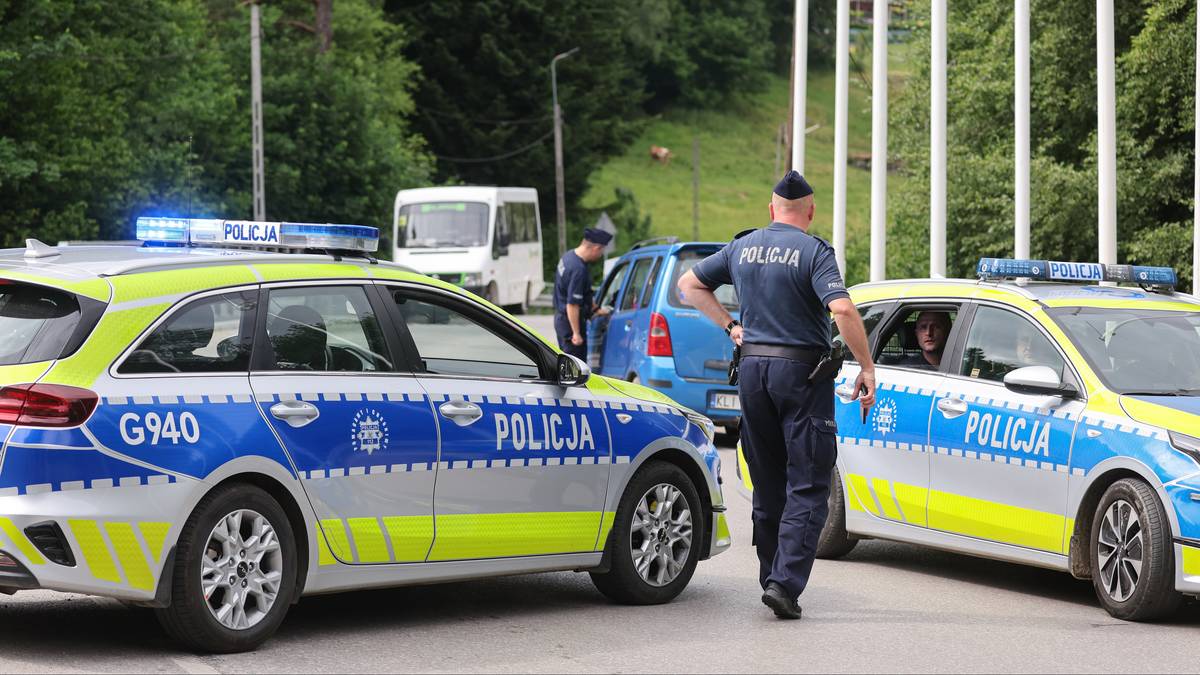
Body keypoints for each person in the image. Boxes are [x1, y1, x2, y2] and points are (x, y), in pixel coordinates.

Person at [677, 170, 877, 620]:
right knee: (808, 481)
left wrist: (730, 326)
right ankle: (784, 585)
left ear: (771, 210)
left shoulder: (742, 246)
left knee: (768, 481)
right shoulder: (814, 250)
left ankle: (771, 576)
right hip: (801, 375)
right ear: (809, 211)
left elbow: (688, 286)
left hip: (751, 370)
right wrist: (866, 366)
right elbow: (842, 307)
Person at [553, 228, 612, 360]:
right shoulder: (578, 269)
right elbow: (572, 304)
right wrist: (576, 333)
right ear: (596, 248)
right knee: (575, 367)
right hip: (570, 323)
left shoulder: (568, 257)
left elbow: (584, 292)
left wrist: (596, 309)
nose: (601, 255)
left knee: (567, 363)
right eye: (602, 251)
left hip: (561, 320)